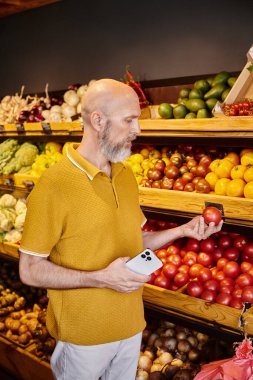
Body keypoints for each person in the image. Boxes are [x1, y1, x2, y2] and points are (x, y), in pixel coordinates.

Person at [19, 79, 223, 380]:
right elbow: (30, 269)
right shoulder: (54, 185)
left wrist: (182, 231)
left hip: (130, 327)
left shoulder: (125, 175)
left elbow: (133, 240)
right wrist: (100, 278)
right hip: (83, 339)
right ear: (98, 120)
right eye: (129, 120)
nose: (138, 130)